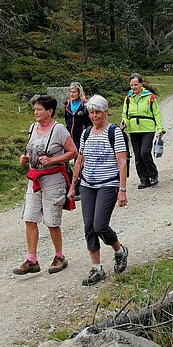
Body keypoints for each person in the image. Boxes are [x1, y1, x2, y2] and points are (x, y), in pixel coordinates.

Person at [68, 94, 128, 286]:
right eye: (91, 112)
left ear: (105, 112)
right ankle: (97, 269)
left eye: (98, 112)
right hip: (87, 185)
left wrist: (122, 189)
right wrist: (72, 185)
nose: (94, 116)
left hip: (108, 184)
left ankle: (119, 251)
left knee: (100, 225)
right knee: (88, 227)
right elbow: (80, 160)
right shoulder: (86, 133)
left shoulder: (114, 132)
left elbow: (122, 162)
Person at [14, 95, 78, 275]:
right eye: (35, 109)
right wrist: (26, 158)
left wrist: (53, 159)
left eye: (39, 109)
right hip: (34, 179)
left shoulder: (59, 130)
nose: (35, 112)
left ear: (49, 111)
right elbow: (31, 148)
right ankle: (32, 260)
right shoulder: (33, 128)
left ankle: (59, 257)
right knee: (29, 218)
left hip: (53, 179)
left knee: (51, 221)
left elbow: (73, 152)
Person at [121, 73, 164, 189]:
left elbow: (156, 113)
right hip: (133, 130)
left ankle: (153, 175)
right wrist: (124, 122)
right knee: (138, 156)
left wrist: (160, 128)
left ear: (141, 84)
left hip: (148, 129)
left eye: (136, 84)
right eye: (131, 85)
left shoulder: (150, 97)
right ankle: (144, 179)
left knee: (145, 152)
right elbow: (125, 114)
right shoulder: (128, 98)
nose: (133, 87)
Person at [64, 82, 92, 200]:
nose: (72, 94)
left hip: (81, 137)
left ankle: (79, 190)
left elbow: (89, 123)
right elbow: (67, 121)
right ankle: (69, 186)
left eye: (74, 91)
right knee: (65, 163)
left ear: (79, 92)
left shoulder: (85, 105)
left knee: (79, 164)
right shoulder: (67, 104)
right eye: (70, 91)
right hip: (69, 138)